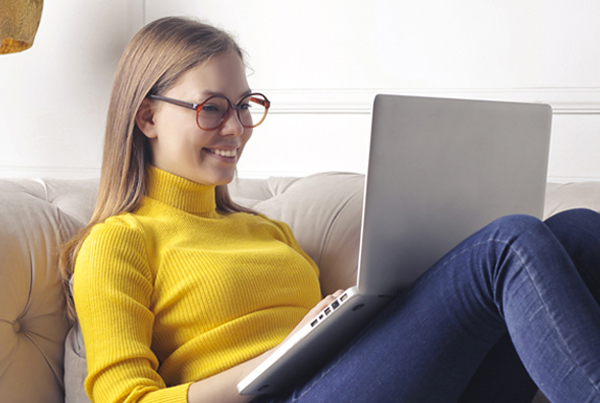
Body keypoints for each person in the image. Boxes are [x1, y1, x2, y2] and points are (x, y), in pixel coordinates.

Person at [60, 16, 600, 403]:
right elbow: (124, 399)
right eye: (211, 108)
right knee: (506, 243)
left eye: (245, 106)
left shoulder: (266, 230)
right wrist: (269, 363)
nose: (236, 128)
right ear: (148, 117)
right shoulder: (117, 241)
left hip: (346, 380)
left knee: (577, 229)